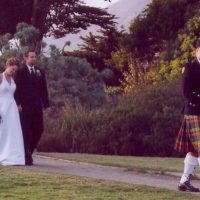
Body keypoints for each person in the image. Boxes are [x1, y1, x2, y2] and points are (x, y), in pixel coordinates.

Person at [15, 49, 50, 166]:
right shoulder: (20, 72)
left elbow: (44, 90)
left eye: (35, 57)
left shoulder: (40, 72)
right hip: (24, 108)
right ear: (26, 58)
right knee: (26, 132)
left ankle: (29, 150)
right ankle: (26, 156)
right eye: (32, 57)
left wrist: (46, 105)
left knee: (39, 129)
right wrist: (18, 103)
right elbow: (17, 89)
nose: (34, 59)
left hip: (37, 107)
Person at [174, 41, 200, 192]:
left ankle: (184, 181)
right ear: (197, 51)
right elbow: (186, 92)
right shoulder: (189, 67)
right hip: (194, 112)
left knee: (194, 150)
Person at [0, 57, 25, 165]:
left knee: (12, 131)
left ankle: (12, 155)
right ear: (7, 66)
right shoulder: (0, 77)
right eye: (12, 69)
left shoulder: (13, 79)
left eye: (15, 70)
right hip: (2, 106)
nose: (14, 72)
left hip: (12, 108)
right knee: (2, 130)